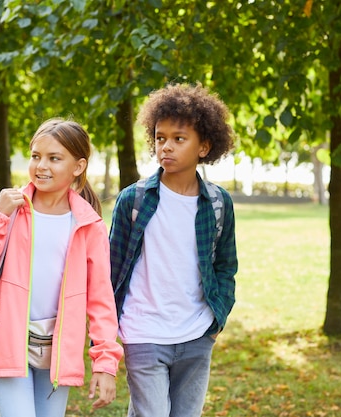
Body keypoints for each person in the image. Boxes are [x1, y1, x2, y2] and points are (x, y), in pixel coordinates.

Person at [0, 118, 123, 417]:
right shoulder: (5, 210)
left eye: (54, 158)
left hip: (57, 352)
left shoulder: (89, 226)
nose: (41, 166)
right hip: (8, 340)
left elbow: (101, 301)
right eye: (36, 156)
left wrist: (105, 362)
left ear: (78, 166)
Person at [109, 83, 238, 417]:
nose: (166, 146)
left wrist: (216, 318)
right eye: (160, 137)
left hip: (196, 333)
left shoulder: (218, 203)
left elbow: (226, 266)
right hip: (143, 332)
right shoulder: (133, 200)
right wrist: (110, 330)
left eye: (179, 139)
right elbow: (112, 269)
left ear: (204, 146)